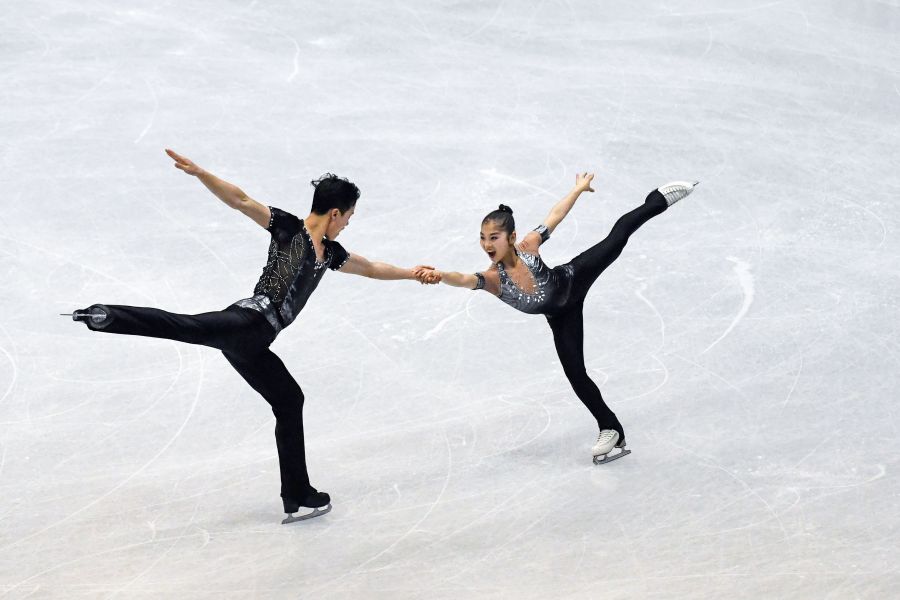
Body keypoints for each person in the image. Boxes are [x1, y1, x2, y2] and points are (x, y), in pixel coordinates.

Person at [65, 149, 435, 523]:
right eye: (349, 217)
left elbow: (370, 268)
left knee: (289, 400)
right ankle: (106, 316)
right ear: (336, 213)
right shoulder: (290, 229)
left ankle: (297, 494)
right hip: (246, 322)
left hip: (256, 343)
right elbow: (241, 201)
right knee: (187, 326)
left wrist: (410, 272)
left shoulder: (330, 253)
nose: (348, 224)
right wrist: (201, 173)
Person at [414, 174, 698, 464]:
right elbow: (461, 278)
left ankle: (659, 199)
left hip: (573, 278)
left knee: (618, 236)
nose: (487, 244)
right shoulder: (491, 279)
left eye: (494, 237)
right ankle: (611, 427)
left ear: (511, 238)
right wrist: (440, 275)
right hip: (562, 315)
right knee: (576, 375)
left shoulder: (527, 247)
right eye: (483, 238)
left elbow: (555, 215)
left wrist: (576, 189)